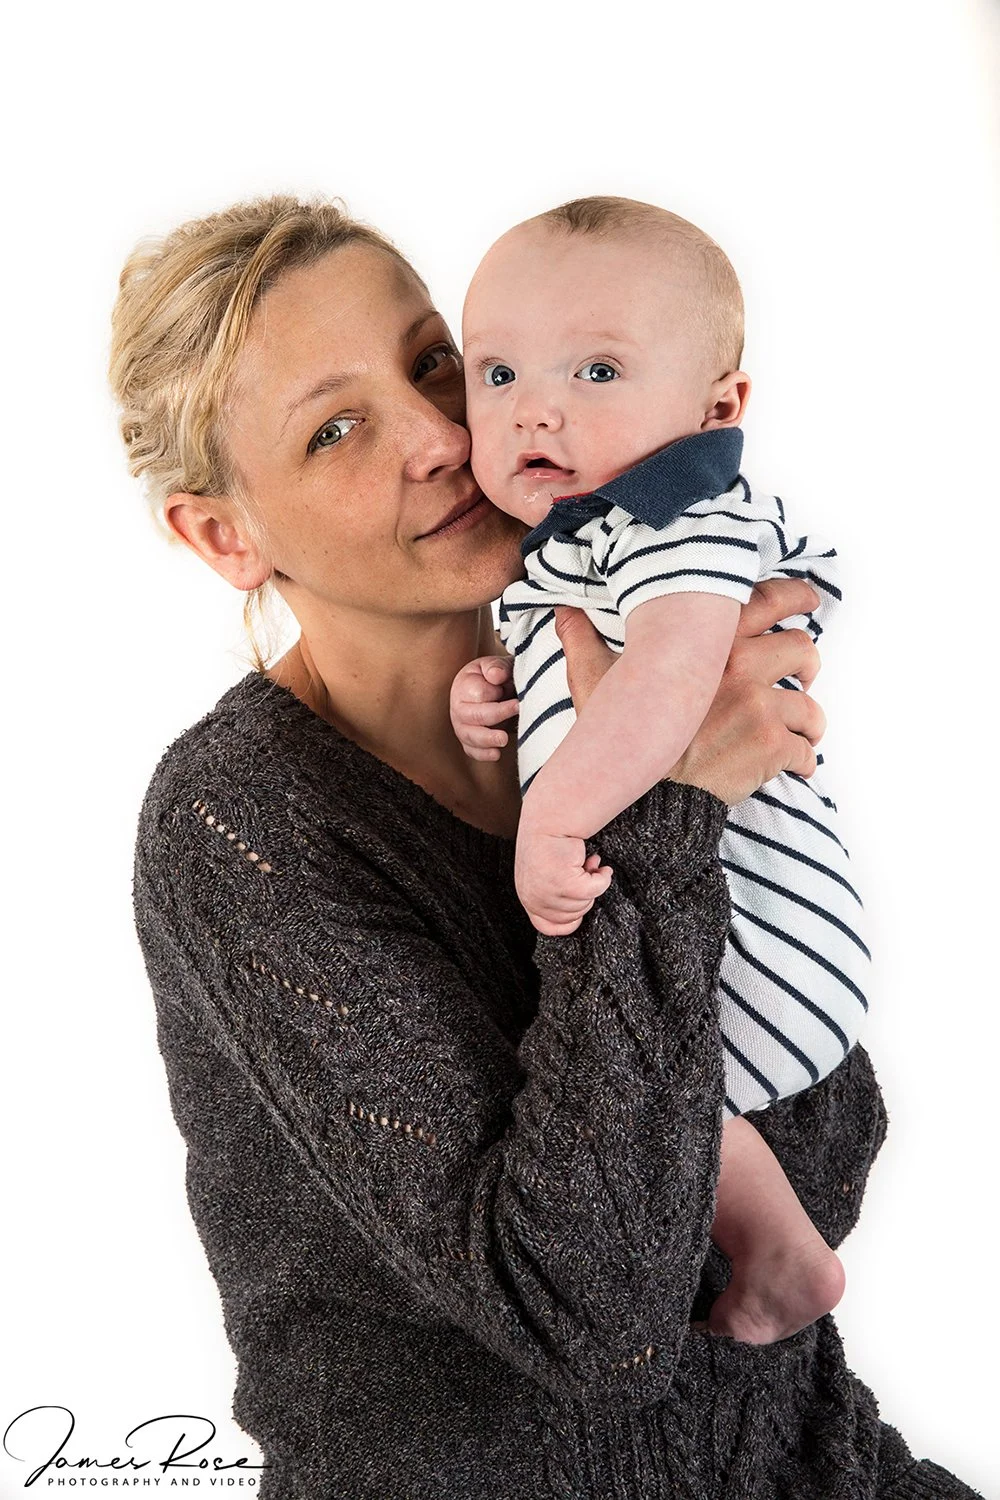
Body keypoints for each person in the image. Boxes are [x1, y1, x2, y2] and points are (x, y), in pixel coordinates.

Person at [112, 194, 980, 1499]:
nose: (437, 439)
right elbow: (605, 1318)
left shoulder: (613, 663)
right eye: (337, 427)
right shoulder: (242, 821)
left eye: (433, 365)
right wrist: (667, 814)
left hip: (807, 1457)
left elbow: (836, 1132)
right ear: (224, 534)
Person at [449, 196, 868, 1349]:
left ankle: (781, 1249)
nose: (534, 406)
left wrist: (552, 817)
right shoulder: (588, 536)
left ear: (716, 407)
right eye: (495, 374)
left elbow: (671, 685)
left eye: (595, 370)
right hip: (701, 909)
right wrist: (487, 688)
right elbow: (571, 667)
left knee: (666, 1077)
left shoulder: (682, 515)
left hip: (758, 921)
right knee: (635, 1063)